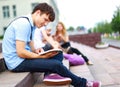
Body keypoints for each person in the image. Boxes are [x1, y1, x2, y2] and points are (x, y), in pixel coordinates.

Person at [2, 3, 101, 87]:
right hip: (16, 63)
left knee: (58, 54)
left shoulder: (31, 25)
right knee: (56, 64)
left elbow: (31, 46)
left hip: (23, 58)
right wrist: (40, 56)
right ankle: (83, 84)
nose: (45, 24)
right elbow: (20, 52)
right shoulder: (23, 24)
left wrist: (37, 51)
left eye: (47, 22)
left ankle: (50, 74)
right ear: (38, 13)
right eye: (45, 20)